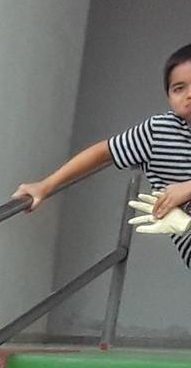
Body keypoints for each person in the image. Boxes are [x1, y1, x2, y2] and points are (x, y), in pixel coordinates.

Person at [14, 40, 191, 273]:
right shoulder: (159, 131)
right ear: (168, 96)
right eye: (178, 88)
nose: (189, 94)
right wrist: (45, 186)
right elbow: (103, 152)